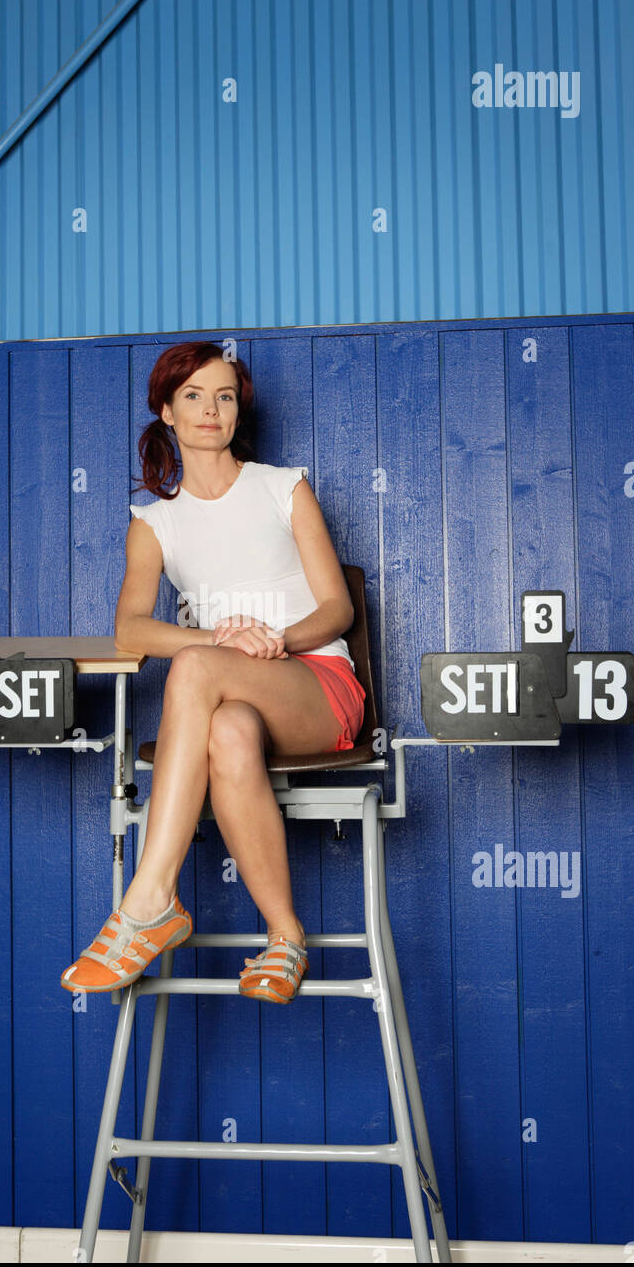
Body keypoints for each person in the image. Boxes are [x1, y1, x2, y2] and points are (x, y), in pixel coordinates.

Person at [61, 342, 369, 1004]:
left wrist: (272, 639)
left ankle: (149, 900)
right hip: (232, 696)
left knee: (198, 671)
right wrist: (221, 638)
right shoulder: (155, 523)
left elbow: (337, 608)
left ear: (238, 412)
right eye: (194, 396)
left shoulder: (282, 486)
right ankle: (286, 936)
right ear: (167, 411)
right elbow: (130, 630)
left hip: (315, 684)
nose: (210, 409)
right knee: (226, 729)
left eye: (225, 396)